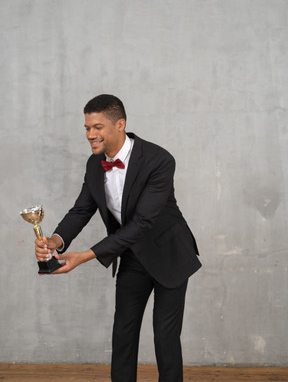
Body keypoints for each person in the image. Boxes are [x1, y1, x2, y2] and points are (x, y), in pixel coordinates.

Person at [35, 94, 202, 382]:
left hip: (170, 254)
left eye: (97, 127)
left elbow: (143, 222)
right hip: (132, 254)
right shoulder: (93, 164)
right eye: (87, 128)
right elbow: (81, 209)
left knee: (165, 336)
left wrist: (85, 256)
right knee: (123, 332)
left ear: (120, 124)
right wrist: (56, 240)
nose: (90, 135)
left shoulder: (159, 160)